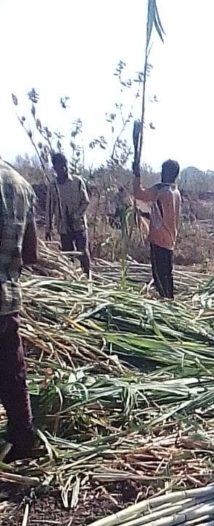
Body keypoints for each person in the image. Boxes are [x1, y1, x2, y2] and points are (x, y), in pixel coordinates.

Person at [0, 160, 39, 462]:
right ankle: (23, 442)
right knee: (13, 374)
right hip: (8, 300)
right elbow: (31, 254)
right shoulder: (21, 185)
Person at [132, 159, 182, 299]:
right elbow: (163, 216)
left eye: (163, 171)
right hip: (169, 239)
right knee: (167, 274)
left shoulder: (162, 191)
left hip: (159, 240)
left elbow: (138, 194)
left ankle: (165, 302)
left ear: (167, 173)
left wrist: (136, 175)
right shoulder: (175, 192)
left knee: (159, 275)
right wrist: (145, 215)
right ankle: (170, 300)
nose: (161, 174)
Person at [47, 152, 91, 276]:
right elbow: (49, 207)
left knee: (83, 252)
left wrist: (76, 216)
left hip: (79, 225)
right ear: (55, 169)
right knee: (67, 254)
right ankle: (71, 278)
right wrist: (48, 228)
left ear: (66, 166)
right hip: (63, 227)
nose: (62, 170)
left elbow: (85, 202)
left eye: (63, 166)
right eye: (58, 168)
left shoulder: (77, 182)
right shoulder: (53, 186)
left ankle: (88, 276)